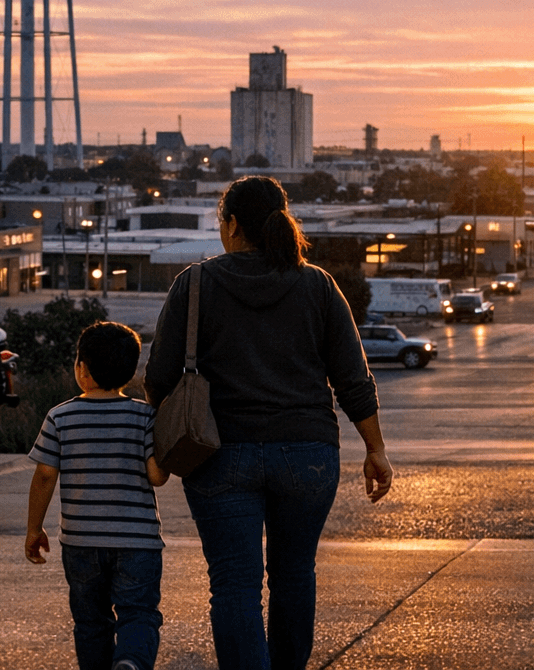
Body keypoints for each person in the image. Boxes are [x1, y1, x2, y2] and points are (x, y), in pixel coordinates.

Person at [143, 175, 393, 670]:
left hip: (219, 456)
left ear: (232, 225)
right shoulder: (317, 284)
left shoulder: (194, 284)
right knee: (294, 574)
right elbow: (353, 379)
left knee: (235, 584)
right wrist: (375, 449)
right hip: (308, 455)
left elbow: (157, 378)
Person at [26, 322, 170, 670]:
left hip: (81, 541)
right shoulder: (145, 416)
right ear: (130, 370)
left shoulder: (60, 417)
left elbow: (45, 475)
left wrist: (34, 529)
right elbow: (156, 476)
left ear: (81, 368)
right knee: (138, 613)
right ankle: (131, 662)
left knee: (91, 621)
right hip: (138, 540)